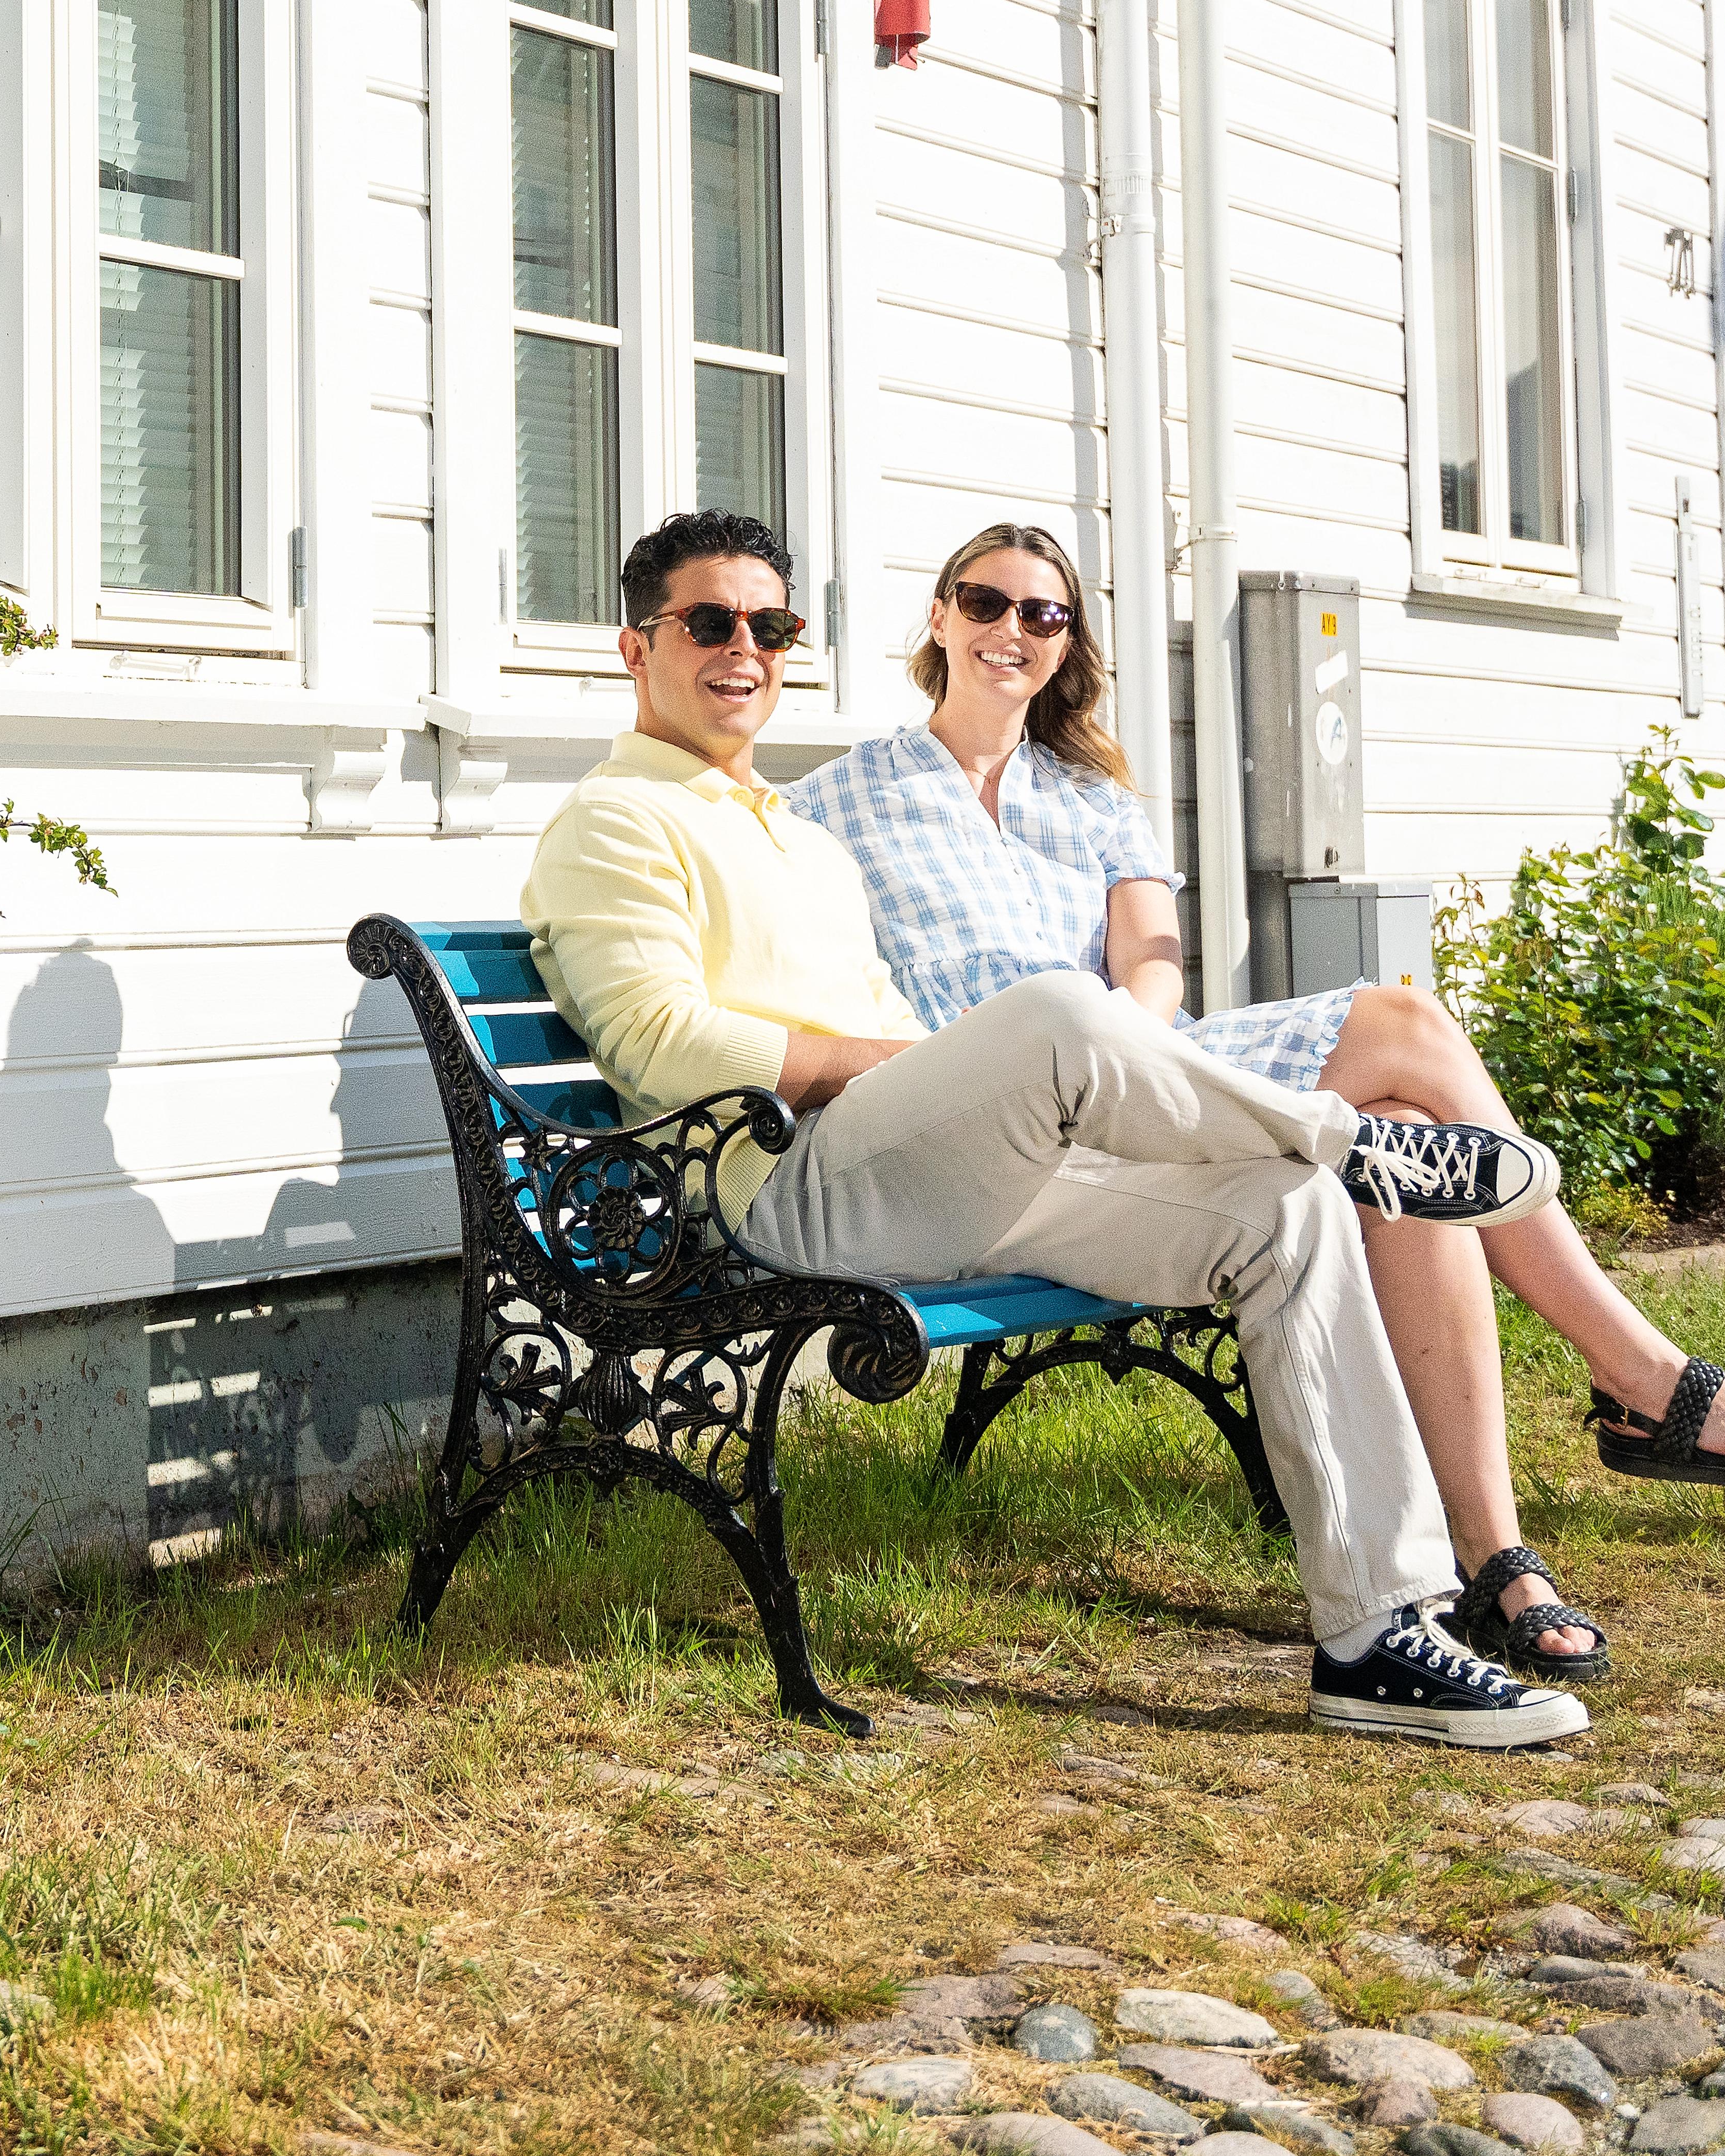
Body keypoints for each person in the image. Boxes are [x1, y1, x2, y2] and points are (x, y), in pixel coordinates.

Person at [521, 507, 1591, 1748]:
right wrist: (919, 1068)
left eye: (770, 625)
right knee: (1054, 1010)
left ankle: (1375, 1633)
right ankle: (1352, 1139)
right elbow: (659, 1044)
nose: (743, 648)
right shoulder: (614, 820)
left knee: (1284, 1213)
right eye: (708, 623)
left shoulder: (788, 826)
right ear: (632, 647)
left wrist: (948, 1084)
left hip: (926, 1175)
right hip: (781, 1192)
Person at [790, 522, 1725, 1682]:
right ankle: (1638, 1381)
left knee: (1403, 1146)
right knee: (1402, 1036)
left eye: (1041, 615)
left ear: (1066, 644)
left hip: (1153, 1076)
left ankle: (1494, 1555)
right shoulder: (841, 799)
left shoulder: (1092, 799)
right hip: (993, 1118)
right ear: (939, 616)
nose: (1010, 631)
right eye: (985, 603)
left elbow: (1153, 965)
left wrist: (1137, 1047)